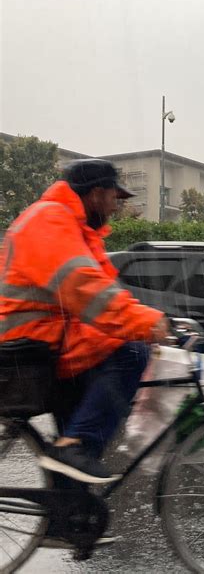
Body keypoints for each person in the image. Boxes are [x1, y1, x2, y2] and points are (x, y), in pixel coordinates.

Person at [0, 159, 170, 489]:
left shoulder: (75, 227)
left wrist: (150, 318)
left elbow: (106, 291)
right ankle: (71, 447)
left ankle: (71, 520)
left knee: (79, 439)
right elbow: (88, 293)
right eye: (113, 198)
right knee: (131, 354)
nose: (116, 207)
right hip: (28, 348)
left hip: (50, 341)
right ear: (95, 194)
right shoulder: (49, 221)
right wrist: (145, 324)